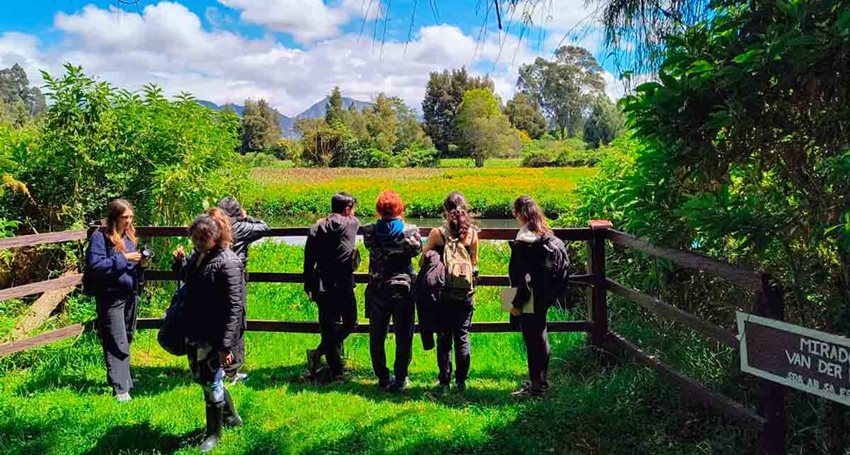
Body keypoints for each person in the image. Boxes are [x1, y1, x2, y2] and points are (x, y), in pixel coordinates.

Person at [172, 209, 244, 453]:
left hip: (214, 333)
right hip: (196, 328)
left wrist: (225, 346)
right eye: (195, 239)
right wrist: (180, 263)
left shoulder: (229, 262)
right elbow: (190, 280)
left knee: (211, 380)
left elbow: (235, 308)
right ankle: (232, 417)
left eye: (202, 240)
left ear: (216, 237)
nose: (197, 244)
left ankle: (213, 433)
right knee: (205, 378)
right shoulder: (198, 256)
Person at [86, 198, 147, 402]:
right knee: (116, 339)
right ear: (114, 218)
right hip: (110, 295)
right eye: (124, 217)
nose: (128, 221)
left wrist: (141, 262)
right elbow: (96, 267)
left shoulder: (129, 236)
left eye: (130, 217)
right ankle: (121, 389)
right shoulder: (100, 237)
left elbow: (133, 266)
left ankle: (124, 378)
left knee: (127, 336)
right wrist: (124, 258)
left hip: (130, 291)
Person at [363, 190, 422, 391]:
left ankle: (382, 376)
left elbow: (368, 246)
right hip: (403, 287)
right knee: (404, 335)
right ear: (399, 208)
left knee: (377, 334)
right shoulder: (410, 231)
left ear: (379, 208)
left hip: (378, 288)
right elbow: (416, 250)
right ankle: (400, 377)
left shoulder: (370, 231)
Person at [422, 192, 479, 395]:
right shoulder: (472, 233)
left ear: (446, 209)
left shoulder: (438, 232)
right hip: (465, 294)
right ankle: (461, 382)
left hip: (443, 294)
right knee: (462, 336)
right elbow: (474, 263)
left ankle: (444, 383)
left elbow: (423, 260)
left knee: (444, 338)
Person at [303, 192, 360, 383]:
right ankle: (332, 368)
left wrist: (308, 286)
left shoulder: (316, 228)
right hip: (343, 282)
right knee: (351, 321)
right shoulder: (352, 224)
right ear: (347, 209)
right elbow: (353, 220)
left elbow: (308, 261)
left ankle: (330, 365)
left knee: (327, 326)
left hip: (322, 283)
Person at [508, 195, 561, 398]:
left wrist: (515, 304)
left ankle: (536, 386)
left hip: (528, 295)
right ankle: (541, 381)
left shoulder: (525, 238)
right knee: (541, 334)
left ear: (519, 213)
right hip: (545, 293)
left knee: (532, 339)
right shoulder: (546, 233)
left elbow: (523, 278)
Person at [216, 196, 270, 385]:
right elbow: (264, 227)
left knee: (217, 319)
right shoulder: (239, 226)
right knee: (236, 319)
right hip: (235, 276)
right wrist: (246, 218)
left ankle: (216, 367)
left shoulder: (212, 225)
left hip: (214, 276)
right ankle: (231, 370)